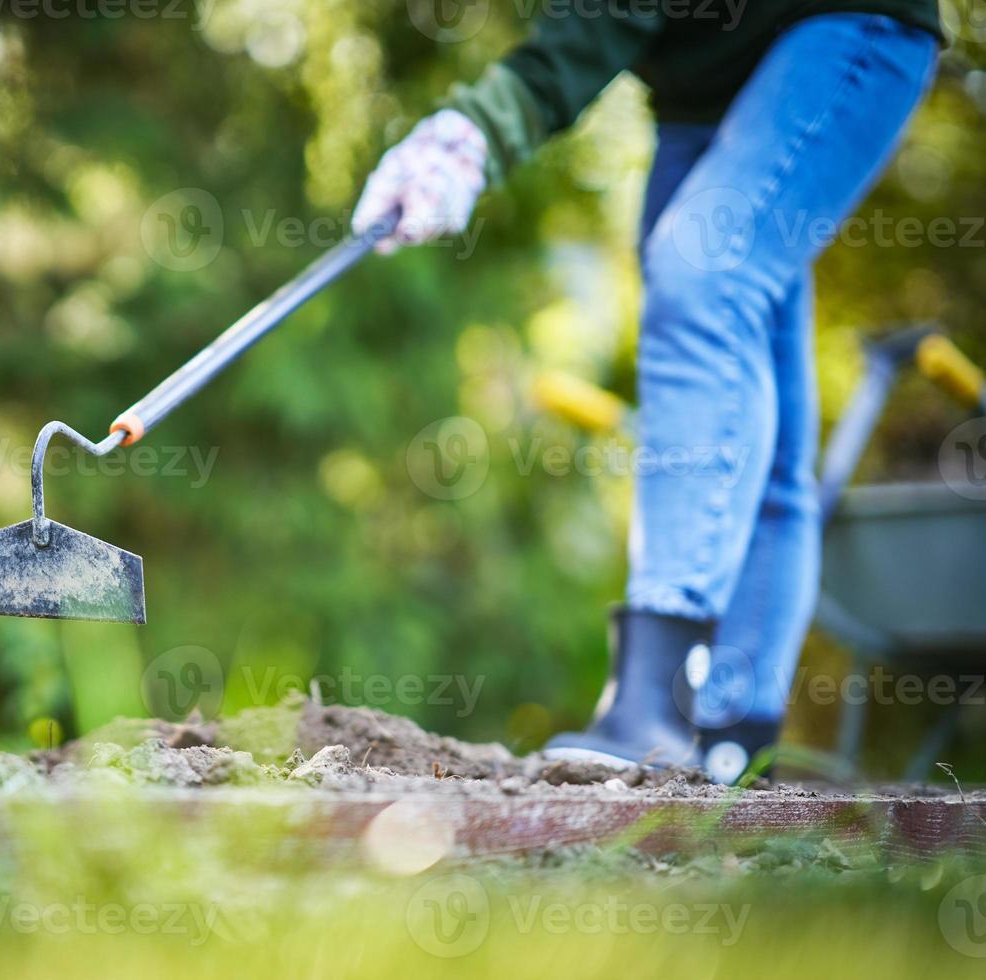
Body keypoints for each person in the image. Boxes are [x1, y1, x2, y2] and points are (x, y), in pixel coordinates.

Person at [353, 1, 941, 781]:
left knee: (702, 278)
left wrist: (474, 133)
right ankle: (734, 735)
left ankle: (658, 706)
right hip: (702, 92)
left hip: (844, 25)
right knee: (751, 403)